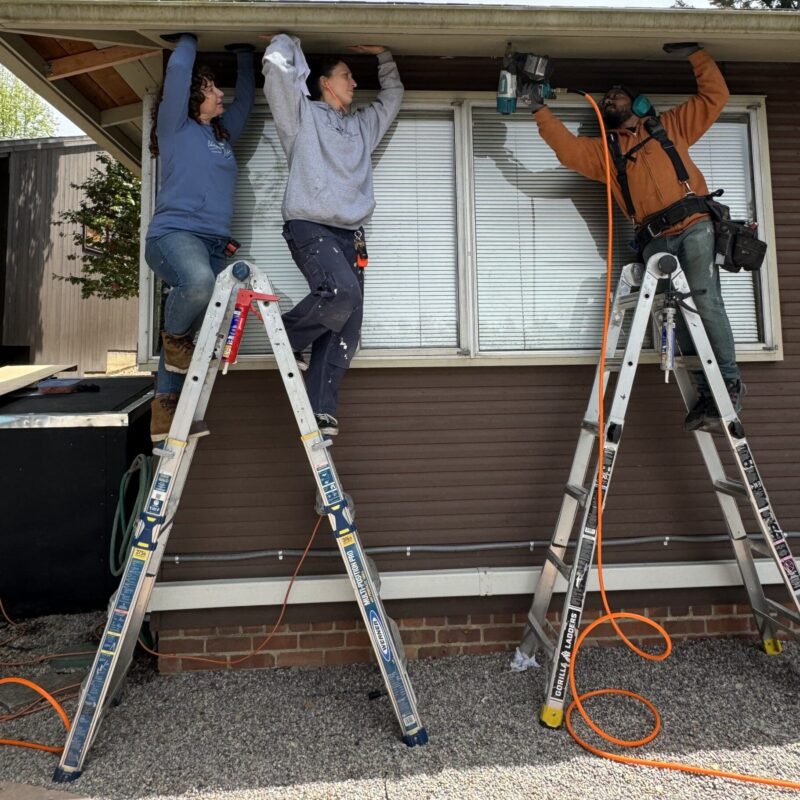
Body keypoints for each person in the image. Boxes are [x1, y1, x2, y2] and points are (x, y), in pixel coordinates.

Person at [529, 43, 744, 431]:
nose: (611, 98)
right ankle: (707, 392)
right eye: (607, 98)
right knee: (675, 320)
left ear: (639, 102)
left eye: (617, 93)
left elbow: (716, 96)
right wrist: (538, 109)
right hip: (655, 241)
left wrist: (697, 55)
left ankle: (728, 386)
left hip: (695, 227)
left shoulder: (672, 127)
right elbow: (567, 150)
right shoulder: (607, 154)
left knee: (705, 302)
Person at [262, 34, 404, 437]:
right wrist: (288, 41)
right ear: (325, 82)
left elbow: (393, 97)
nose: (353, 83)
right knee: (341, 293)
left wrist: (384, 54)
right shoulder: (301, 117)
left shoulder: (361, 128)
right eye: (346, 76)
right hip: (309, 224)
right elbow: (276, 72)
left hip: (350, 233)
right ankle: (284, 337)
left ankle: (320, 410)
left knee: (348, 325)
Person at [145, 33, 255, 441]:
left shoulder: (221, 135)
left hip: (212, 242)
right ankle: (171, 337)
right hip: (173, 234)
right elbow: (175, 72)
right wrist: (188, 41)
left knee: (201, 322)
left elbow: (245, 101)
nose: (220, 94)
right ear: (193, 98)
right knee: (198, 286)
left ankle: (164, 416)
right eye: (211, 90)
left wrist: (245, 54)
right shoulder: (175, 125)